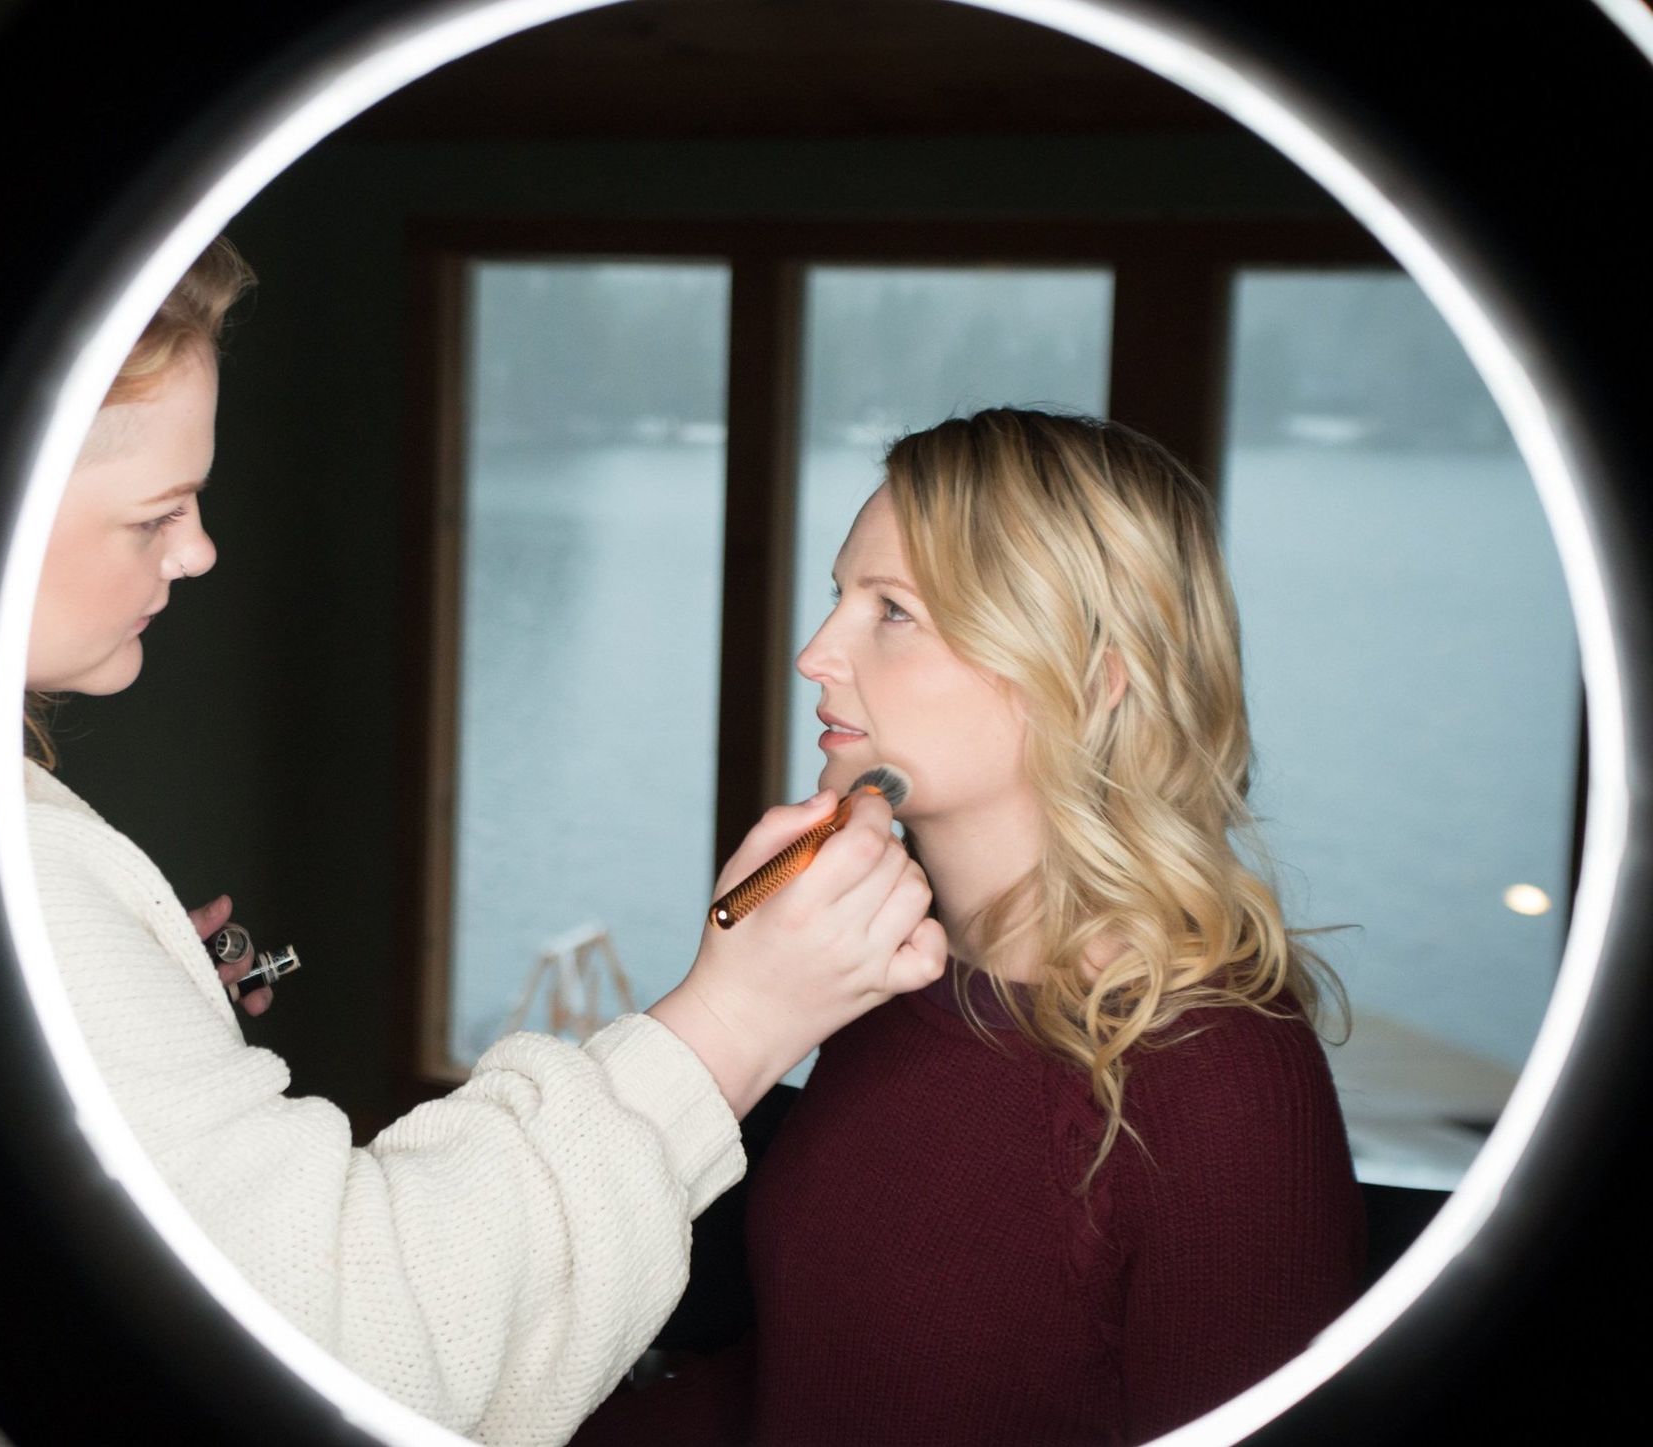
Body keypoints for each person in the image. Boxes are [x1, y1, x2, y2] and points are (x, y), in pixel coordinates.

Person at [0, 140, 948, 1446]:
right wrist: (734, 1018)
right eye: (158, 512)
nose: (199, 550)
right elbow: (349, 1362)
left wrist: (137, 1039)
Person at [575, 408, 1367, 1447]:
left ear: (1092, 676)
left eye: (891, 611)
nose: (816, 655)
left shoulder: (1222, 1082)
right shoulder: (898, 988)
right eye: (838, 599)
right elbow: (814, 1381)